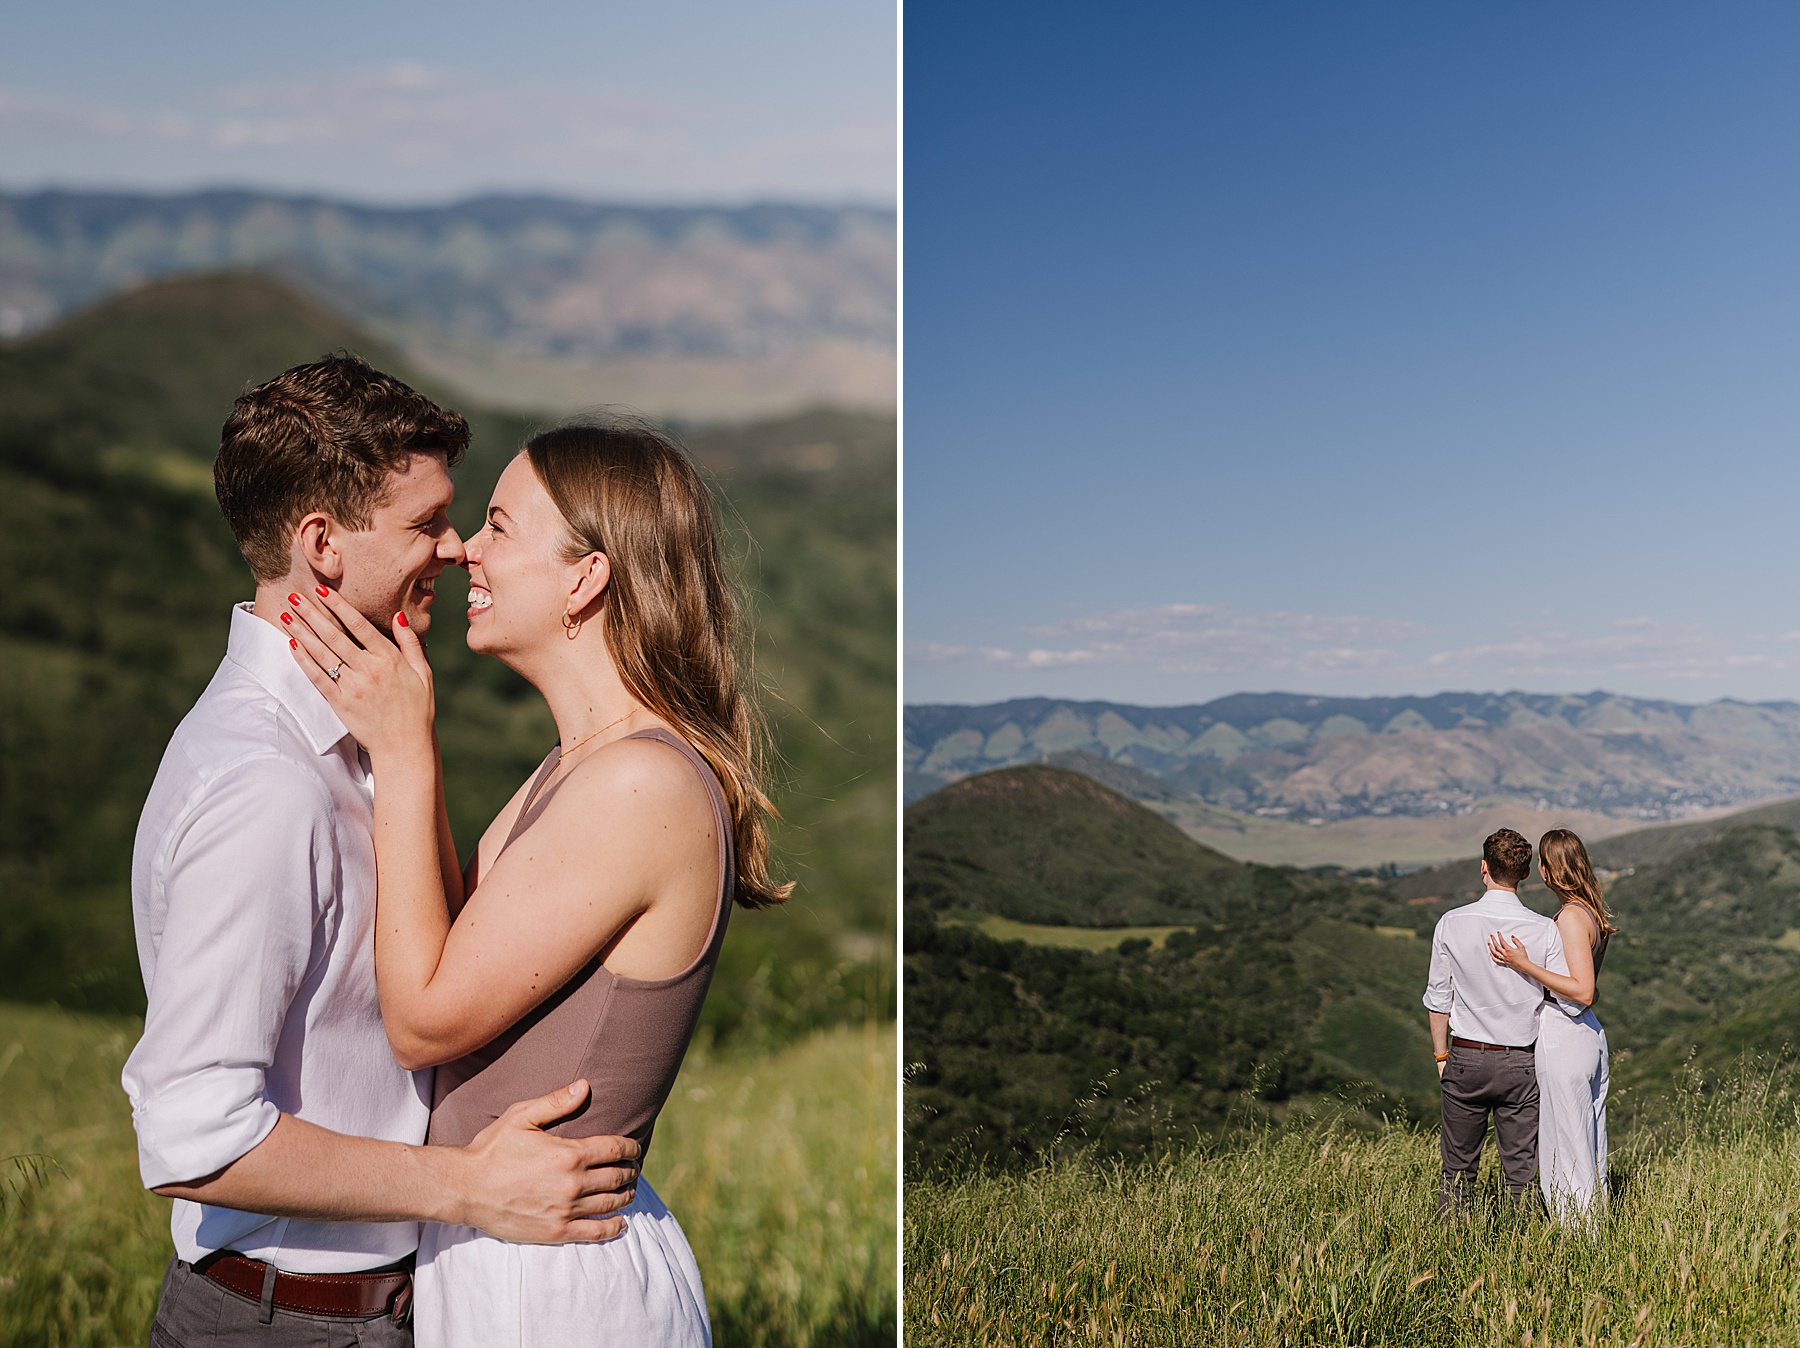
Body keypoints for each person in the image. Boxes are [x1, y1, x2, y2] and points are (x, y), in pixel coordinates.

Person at [122, 357, 641, 1348]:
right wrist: (470, 1189)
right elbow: (191, 1131)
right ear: (321, 544)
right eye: (423, 524)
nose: (452, 549)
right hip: (284, 1322)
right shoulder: (265, 784)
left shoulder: (363, 735)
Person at [281, 416, 791, 1347]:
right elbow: (454, 937)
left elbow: (425, 1019)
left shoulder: (636, 784)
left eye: (500, 527)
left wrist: (401, 751)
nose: (465, 550)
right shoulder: (579, 763)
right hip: (509, 1250)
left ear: (586, 578)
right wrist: (408, 732)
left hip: (549, 1283)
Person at [1421, 827, 1576, 1216]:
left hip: (1467, 1056)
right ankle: (1525, 1254)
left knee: (1456, 1172)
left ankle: (1450, 1255)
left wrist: (1441, 1056)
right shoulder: (1543, 929)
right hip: (1521, 1061)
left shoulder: (1451, 923)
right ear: (1525, 875)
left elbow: (1439, 998)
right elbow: (1562, 997)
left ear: (1483, 868)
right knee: (1522, 1175)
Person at [1487, 828, 1614, 1222]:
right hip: (1588, 1036)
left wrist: (1523, 965)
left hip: (1566, 1036)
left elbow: (1583, 991)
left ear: (1546, 869)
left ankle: (1580, 1238)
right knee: (1589, 1141)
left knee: (1567, 1143)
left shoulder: (1572, 918)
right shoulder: (1589, 911)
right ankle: (1594, 1227)